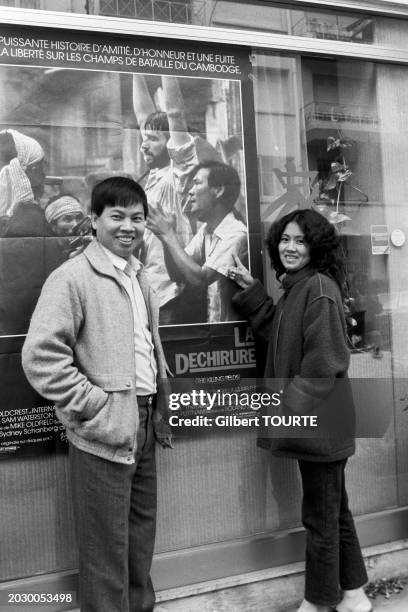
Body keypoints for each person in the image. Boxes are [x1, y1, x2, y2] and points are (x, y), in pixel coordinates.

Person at [22, 176, 172, 612]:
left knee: (139, 544)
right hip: (105, 430)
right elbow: (41, 358)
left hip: (144, 424)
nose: (128, 226)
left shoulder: (138, 275)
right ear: (95, 220)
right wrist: (97, 406)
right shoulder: (72, 277)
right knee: (105, 552)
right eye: (117, 216)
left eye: (137, 218)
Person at [227, 209, 372, 612]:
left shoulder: (318, 288)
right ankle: (355, 594)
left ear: (316, 246)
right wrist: (252, 288)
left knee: (320, 518)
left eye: (300, 241)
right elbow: (279, 334)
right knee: (334, 511)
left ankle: (319, 600)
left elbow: (324, 366)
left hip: (320, 426)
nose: (290, 248)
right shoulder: (300, 288)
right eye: (285, 240)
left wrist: (286, 410)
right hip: (321, 425)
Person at [147, 161, 248, 323]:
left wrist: (169, 234)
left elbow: (200, 280)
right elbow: (178, 274)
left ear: (218, 190)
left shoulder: (236, 234)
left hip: (230, 335)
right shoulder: (207, 229)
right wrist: (165, 238)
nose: (190, 192)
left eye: (197, 184)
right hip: (212, 330)